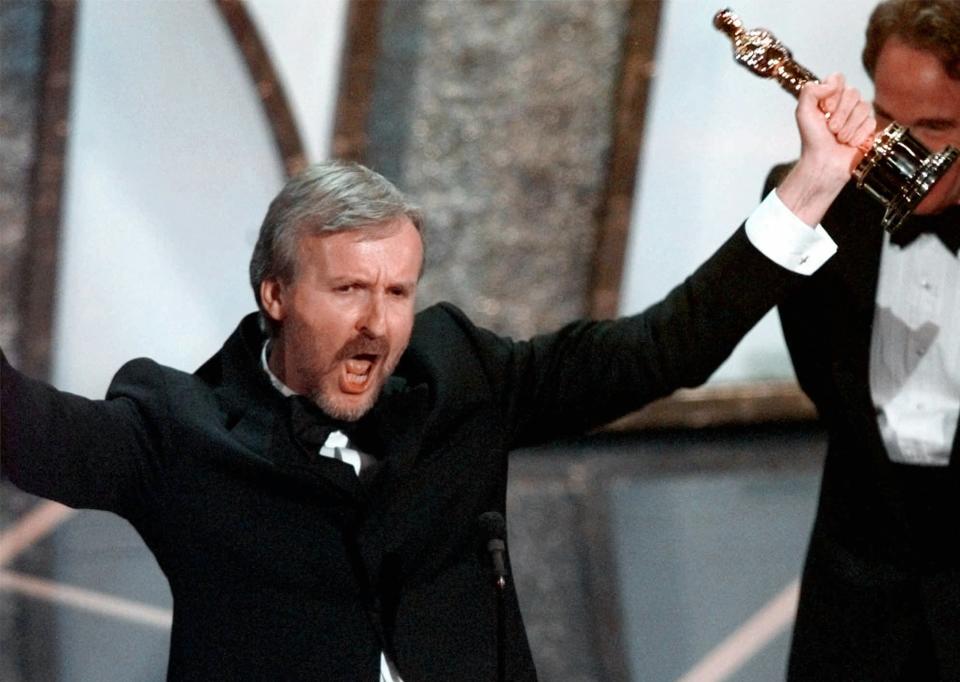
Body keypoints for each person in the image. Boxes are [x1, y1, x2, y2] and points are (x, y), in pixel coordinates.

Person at [1, 75, 872, 680]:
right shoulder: (176, 429)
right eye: (347, 290)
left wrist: (812, 184)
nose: (378, 323)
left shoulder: (459, 375)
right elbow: (27, 432)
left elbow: (659, 350)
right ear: (274, 292)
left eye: (398, 291)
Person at [766, 1, 960, 678]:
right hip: (854, 583)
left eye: (935, 129)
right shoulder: (815, 206)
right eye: (886, 120)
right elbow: (821, 375)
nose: (898, 152)